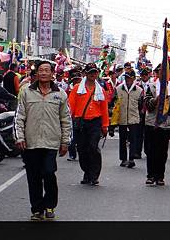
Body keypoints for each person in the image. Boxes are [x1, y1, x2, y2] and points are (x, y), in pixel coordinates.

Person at [15, 61, 72, 221]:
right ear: (37, 74)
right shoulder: (26, 92)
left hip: (51, 142)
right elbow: (19, 117)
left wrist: (65, 141)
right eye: (41, 70)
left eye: (47, 70)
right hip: (30, 142)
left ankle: (50, 205)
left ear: (52, 73)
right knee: (33, 177)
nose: (44, 73)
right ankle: (37, 209)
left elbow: (66, 119)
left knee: (48, 173)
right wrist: (19, 137)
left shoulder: (60, 94)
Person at [68, 63, 109, 186]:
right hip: (80, 122)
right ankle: (87, 172)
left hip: (95, 122)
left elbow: (104, 109)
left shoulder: (100, 90)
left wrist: (105, 125)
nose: (93, 75)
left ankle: (94, 175)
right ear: (85, 73)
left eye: (95, 72)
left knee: (93, 147)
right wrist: (69, 123)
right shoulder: (76, 88)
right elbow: (71, 107)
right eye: (90, 72)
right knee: (82, 149)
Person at [143, 69, 170, 186]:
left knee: (162, 152)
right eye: (160, 73)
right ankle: (150, 175)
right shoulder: (151, 87)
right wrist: (156, 100)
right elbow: (147, 104)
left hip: (166, 124)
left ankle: (160, 176)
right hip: (152, 123)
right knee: (151, 150)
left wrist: (167, 107)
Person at [114, 70, 143, 168]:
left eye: (130, 78)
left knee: (133, 139)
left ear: (134, 78)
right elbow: (114, 104)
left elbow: (141, 105)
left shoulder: (139, 90)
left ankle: (131, 158)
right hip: (122, 117)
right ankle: (123, 159)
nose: (128, 80)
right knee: (122, 139)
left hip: (134, 118)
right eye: (126, 78)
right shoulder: (118, 89)